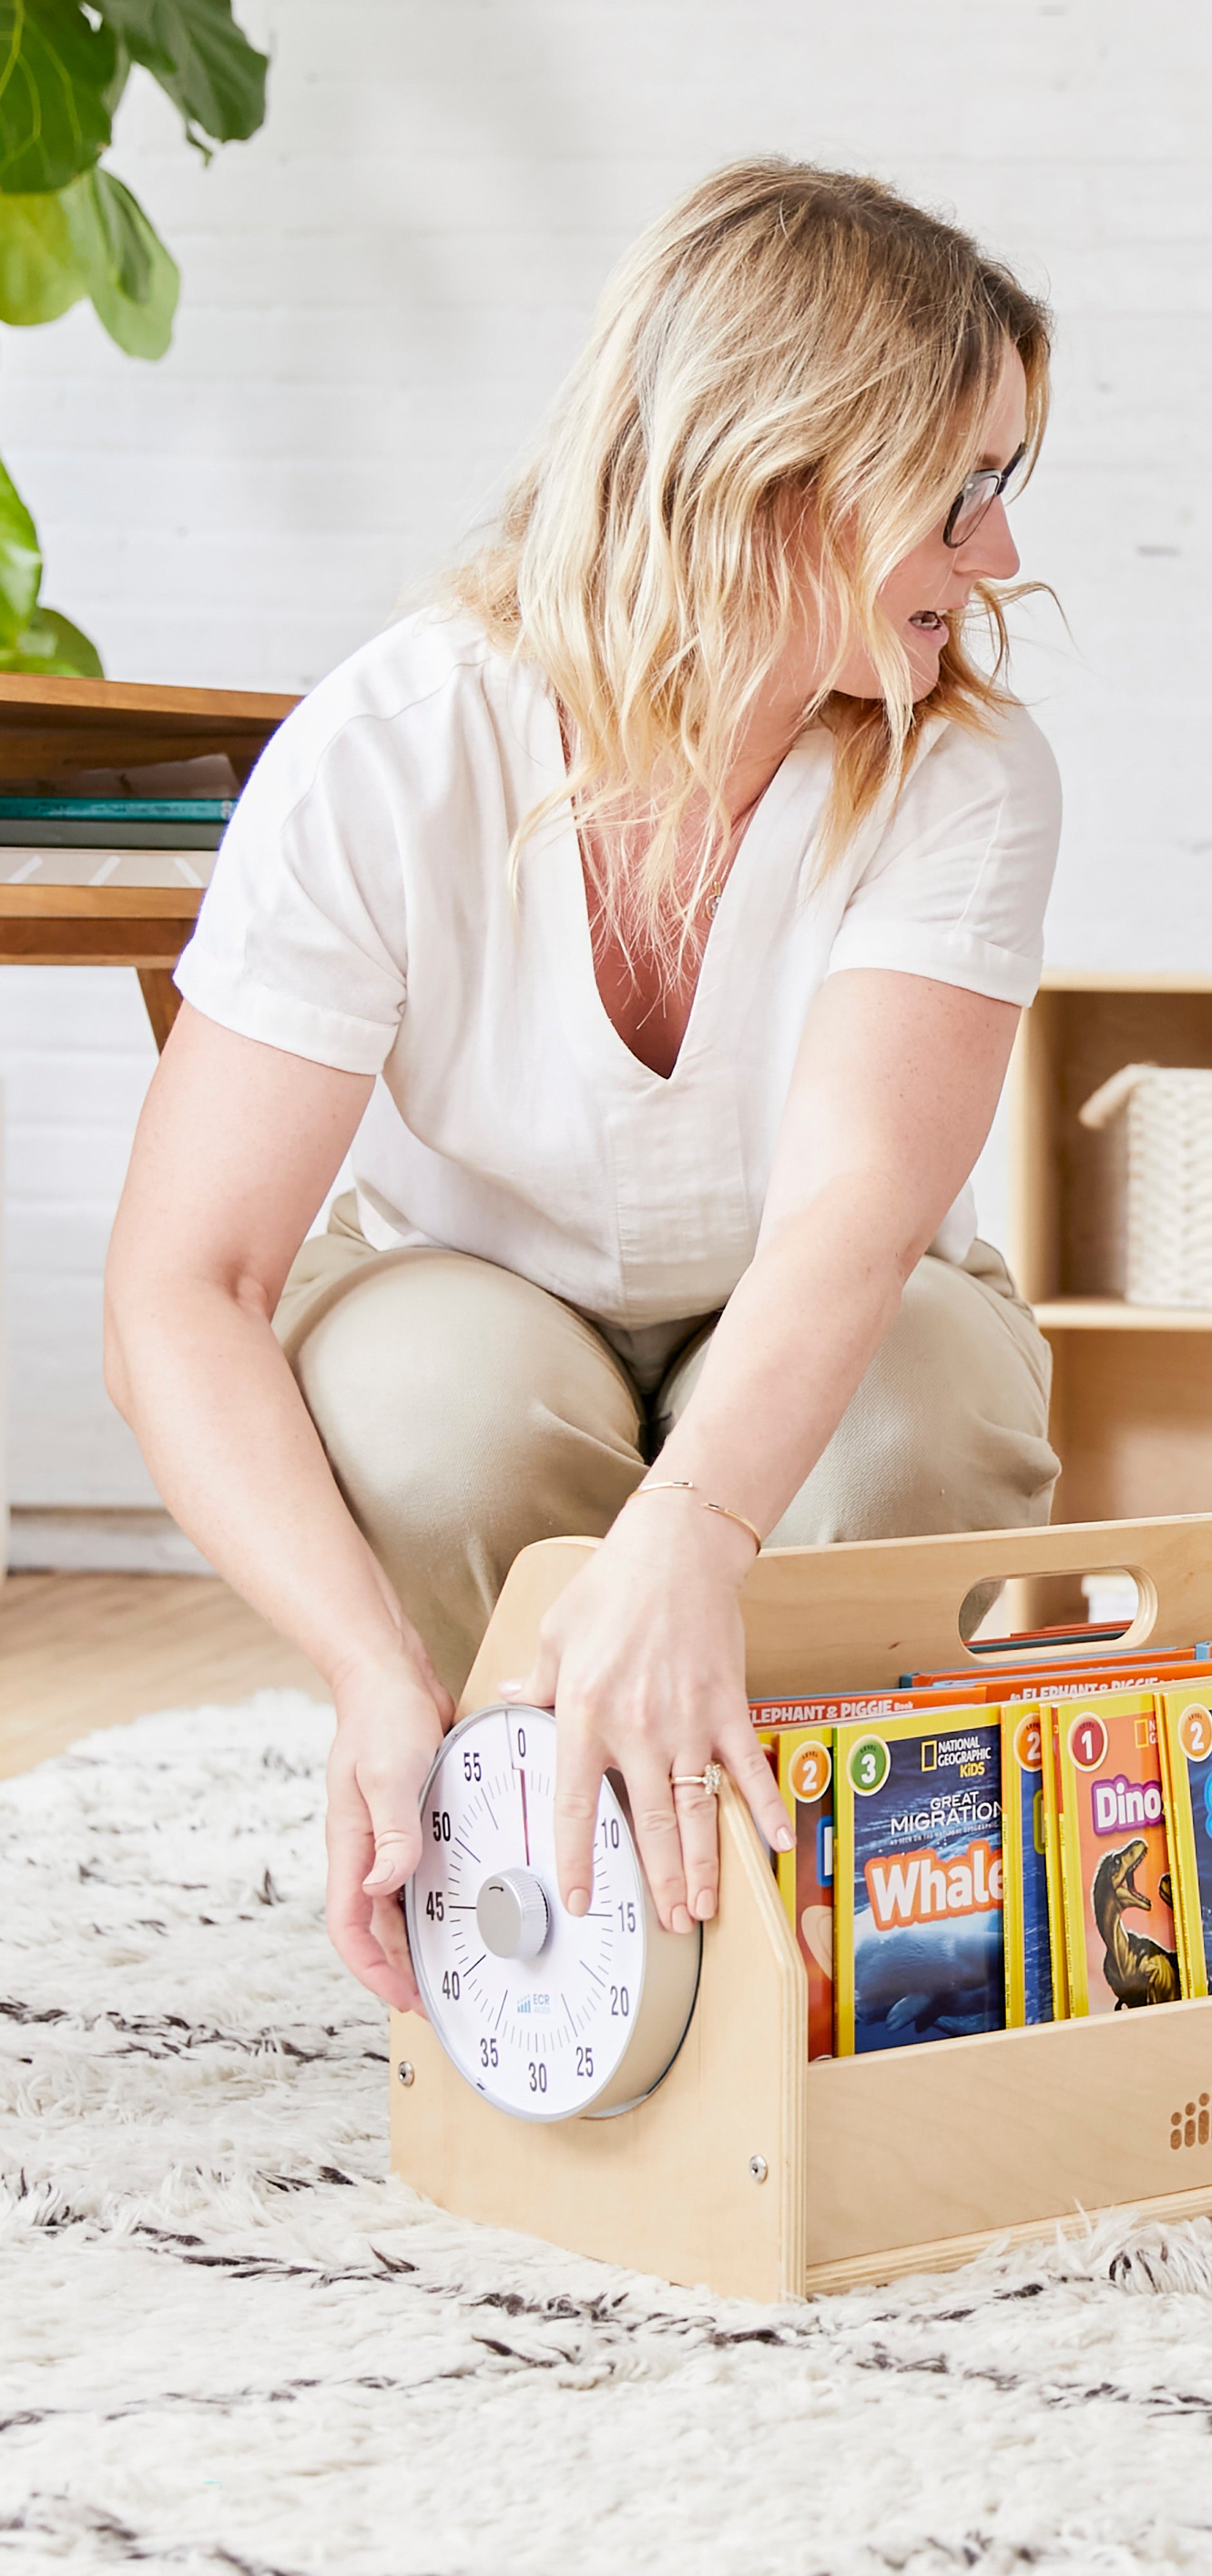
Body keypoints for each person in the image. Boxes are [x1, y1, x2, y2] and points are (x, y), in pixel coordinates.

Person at [102, 162, 1062, 2017]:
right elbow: (184, 1288)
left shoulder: (969, 781)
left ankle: (835, 1938)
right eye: (961, 493)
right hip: (473, 1294)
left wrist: (695, 1531)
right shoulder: (389, 747)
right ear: (785, 474)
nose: (998, 557)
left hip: (823, 1296)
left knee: (913, 1422)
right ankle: (537, 1895)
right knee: (432, 1418)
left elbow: (854, 1215)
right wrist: (372, 1672)